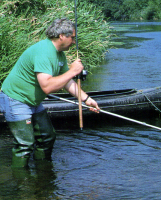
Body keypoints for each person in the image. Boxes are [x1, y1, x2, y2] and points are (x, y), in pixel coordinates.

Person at [0, 18, 99, 168]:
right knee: (25, 145)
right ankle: (22, 183)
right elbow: (47, 86)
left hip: (33, 101)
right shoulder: (44, 52)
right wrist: (73, 71)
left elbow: (67, 82)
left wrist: (86, 99)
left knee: (47, 137)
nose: (74, 42)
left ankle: (44, 172)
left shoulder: (59, 55)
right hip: (16, 99)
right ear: (61, 36)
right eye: (72, 37)